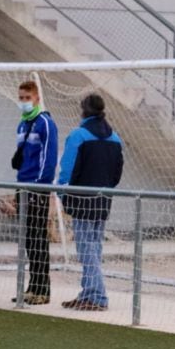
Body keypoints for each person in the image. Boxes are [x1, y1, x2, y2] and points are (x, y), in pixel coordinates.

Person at [57, 94, 123, 311]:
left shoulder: (78, 136)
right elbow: (117, 173)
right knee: (94, 247)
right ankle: (88, 293)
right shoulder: (115, 138)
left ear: (83, 110)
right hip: (103, 199)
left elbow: (67, 167)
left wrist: (62, 192)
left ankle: (98, 297)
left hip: (82, 198)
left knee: (86, 249)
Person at [12, 79, 58, 304]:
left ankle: (43, 290)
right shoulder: (22, 124)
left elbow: (48, 158)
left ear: (37, 99)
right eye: (21, 98)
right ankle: (32, 286)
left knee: (39, 238)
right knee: (29, 238)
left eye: (27, 98)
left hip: (37, 187)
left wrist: (41, 185)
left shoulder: (45, 123)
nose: (24, 102)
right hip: (23, 185)